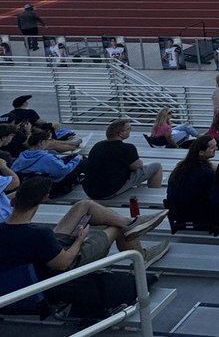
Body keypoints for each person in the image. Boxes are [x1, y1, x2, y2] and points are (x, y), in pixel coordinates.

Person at [0, 177, 169, 302]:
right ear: (44, 199)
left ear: (13, 201)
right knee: (117, 228)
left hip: (43, 257)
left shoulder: (15, 231)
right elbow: (63, 264)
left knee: (84, 205)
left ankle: (131, 223)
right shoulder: (39, 235)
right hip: (59, 270)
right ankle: (139, 251)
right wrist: (80, 239)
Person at [82, 119, 163, 200]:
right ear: (120, 133)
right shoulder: (127, 148)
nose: (130, 131)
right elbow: (138, 166)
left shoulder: (97, 146)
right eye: (128, 129)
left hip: (90, 191)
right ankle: (155, 198)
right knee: (156, 166)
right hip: (108, 191)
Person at [165, 135, 218, 232]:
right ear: (201, 152)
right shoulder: (206, 173)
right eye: (213, 147)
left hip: (177, 214)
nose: (216, 148)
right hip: (197, 216)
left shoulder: (180, 168)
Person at [12, 129, 87, 198]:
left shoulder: (23, 154)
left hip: (31, 182)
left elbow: (14, 169)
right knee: (82, 161)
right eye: (48, 140)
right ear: (42, 142)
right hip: (52, 182)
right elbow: (63, 170)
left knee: (70, 158)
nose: (49, 142)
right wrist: (76, 160)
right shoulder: (46, 158)